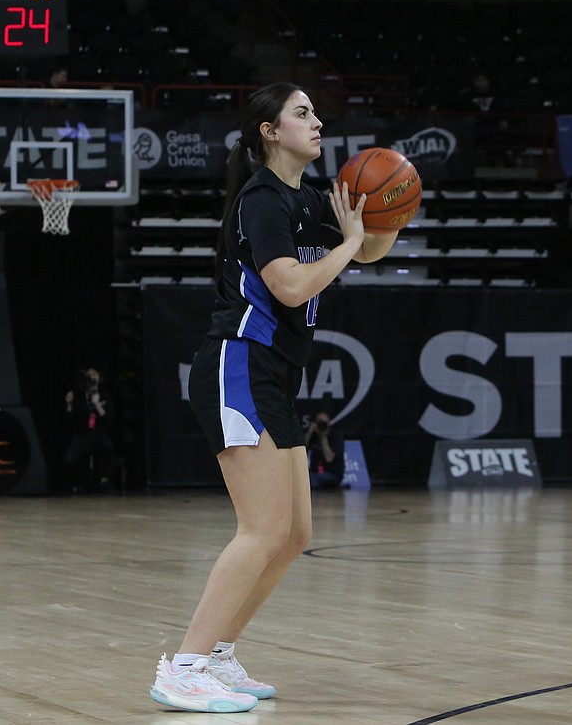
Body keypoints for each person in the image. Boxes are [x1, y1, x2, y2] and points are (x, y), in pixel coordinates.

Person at [148, 82, 397, 713]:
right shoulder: (263, 199)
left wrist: (385, 217)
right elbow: (288, 287)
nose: (318, 122)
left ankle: (221, 654)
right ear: (269, 130)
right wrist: (347, 244)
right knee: (261, 530)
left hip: (276, 375)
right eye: (303, 113)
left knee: (293, 535)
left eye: (316, 112)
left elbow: (367, 248)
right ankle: (183, 666)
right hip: (239, 363)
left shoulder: (308, 197)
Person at [64, 367, 118, 493]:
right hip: (83, 433)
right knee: (70, 459)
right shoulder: (79, 397)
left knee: (108, 446)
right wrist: (69, 404)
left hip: (100, 432)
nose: (91, 377)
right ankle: (78, 483)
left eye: (94, 374)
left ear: (99, 377)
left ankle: (104, 480)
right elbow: (70, 421)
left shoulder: (106, 396)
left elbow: (109, 420)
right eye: (89, 375)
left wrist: (97, 405)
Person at [305, 410, 345, 490]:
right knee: (305, 478)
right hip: (315, 472)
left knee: (310, 480)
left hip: (332, 473)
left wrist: (323, 437)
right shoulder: (314, 436)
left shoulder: (335, 436)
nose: (321, 425)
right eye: (318, 422)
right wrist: (309, 433)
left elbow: (329, 458)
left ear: (329, 423)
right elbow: (301, 449)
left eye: (323, 423)